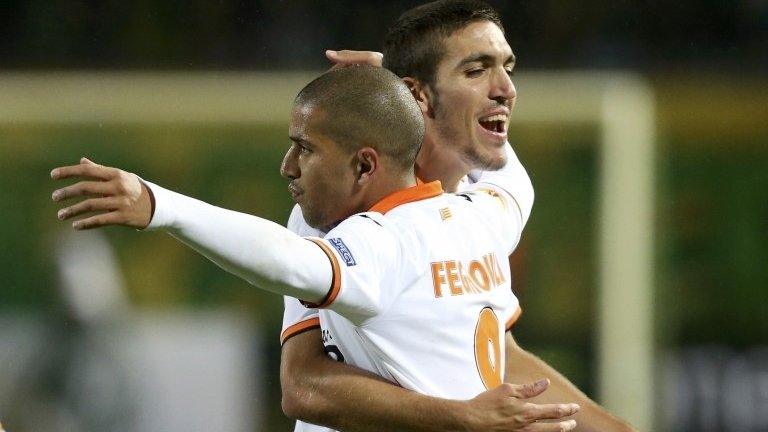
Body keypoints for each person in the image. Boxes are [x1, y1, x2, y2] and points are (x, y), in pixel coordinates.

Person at [52, 65, 578, 431]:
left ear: (365, 165)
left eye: (305, 149)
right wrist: (400, 89)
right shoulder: (483, 214)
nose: (287, 166)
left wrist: (158, 205)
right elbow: (508, 169)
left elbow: (289, 261)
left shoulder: (382, 242)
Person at [278, 1, 637, 432]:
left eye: (508, 67)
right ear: (418, 95)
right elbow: (303, 385)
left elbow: (494, 356)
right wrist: (462, 420)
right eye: (477, 70)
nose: (506, 87)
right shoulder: (341, 209)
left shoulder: (475, 206)